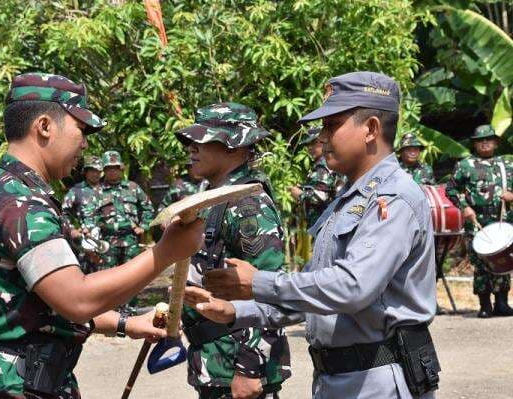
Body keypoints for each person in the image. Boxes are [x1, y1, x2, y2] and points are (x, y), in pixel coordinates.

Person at [184, 72, 441, 399]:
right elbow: (314, 294)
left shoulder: (392, 199)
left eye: (331, 126)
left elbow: (352, 288)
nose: (321, 137)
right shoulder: (349, 199)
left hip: (378, 380)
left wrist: (258, 283)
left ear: (371, 129)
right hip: (338, 378)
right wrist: (236, 312)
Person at [0, 72, 203, 398]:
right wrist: (164, 252)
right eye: (81, 129)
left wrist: (125, 324)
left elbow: (38, 306)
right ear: (44, 127)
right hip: (16, 387)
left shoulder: (14, 192)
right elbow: (76, 298)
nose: (85, 143)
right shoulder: (19, 202)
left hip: (28, 380)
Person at [174, 102, 291, 399]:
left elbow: (268, 292)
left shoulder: (248, 205)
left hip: (235, 368)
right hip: (215, 363)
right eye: (190, 141)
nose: (191, 148)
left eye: (202, 140)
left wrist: (249, 368)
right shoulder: (215, 197)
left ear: (233, 145)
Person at [446, 124, 513, 318]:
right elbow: (451, 189)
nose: (485, 143)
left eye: (488, 139)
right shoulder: (465, 165)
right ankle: (485, 305)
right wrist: (464, 207)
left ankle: (502, 303)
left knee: (503, 261)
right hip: (477, 220)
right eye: (480, 141)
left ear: (496, 142)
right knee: (481, 262)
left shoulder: (507, 165)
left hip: (502, 220)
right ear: (475, 144)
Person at [96, 150, 155, 272]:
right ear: (104, 170)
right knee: (107, 277)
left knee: (132, 275)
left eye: (115, 168)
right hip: (107, 241)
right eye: (109, 168)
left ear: (121, 169)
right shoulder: (97, 191)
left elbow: (148, 207)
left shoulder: (132, 187)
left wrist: (143, 227)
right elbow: (89, 214)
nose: (112, 171)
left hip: (130, 240)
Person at [290, 127, 344, 228]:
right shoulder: (327, 162)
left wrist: (299, 194)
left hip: (324, 224)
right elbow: (323, 188)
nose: (309, 148)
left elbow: (320, 196)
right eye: (307, 145)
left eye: (313, 143)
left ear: (322, 141)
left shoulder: (323, 165)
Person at [62, 155, 104, 273]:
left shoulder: (108, 189)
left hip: (110, 240)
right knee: (89, 276)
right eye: (92, 170)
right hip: (87, 240)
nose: (95, 174)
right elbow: (63, 213)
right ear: (85, 172)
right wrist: (72, 229)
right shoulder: (76, 191)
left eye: (98, 171)